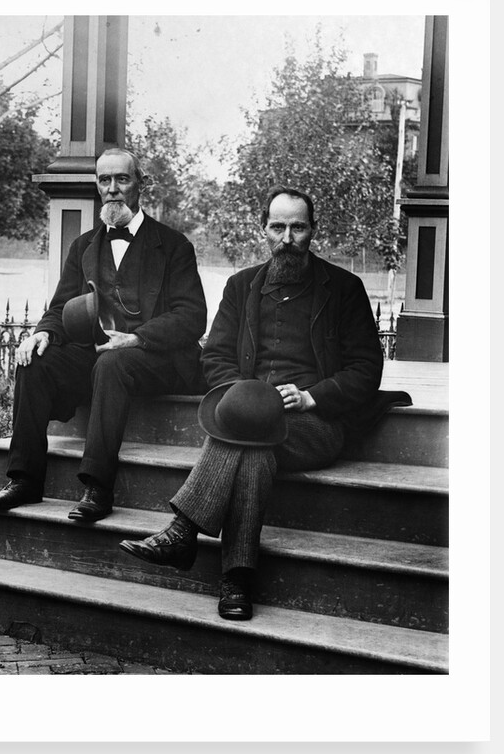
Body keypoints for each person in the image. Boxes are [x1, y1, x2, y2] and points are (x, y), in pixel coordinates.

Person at [120, 185, 409, 621]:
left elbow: (366, 369)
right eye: (278, 227)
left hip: (316, 422)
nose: (287, 237)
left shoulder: (345, 289)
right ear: (263, 230)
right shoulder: (241, 286)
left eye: (297, 227)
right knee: (253, 449)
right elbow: (214, 355)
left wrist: (311, 396)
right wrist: (245, 396)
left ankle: (183, 531)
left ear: (313, 231)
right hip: (251, 418)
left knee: (246, 435)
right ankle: (236, 581)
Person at [0, 148, 207, 521]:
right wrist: (43, 333)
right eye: (105, 180)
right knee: (36, 363)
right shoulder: (84, 245)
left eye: (122, 179)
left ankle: (98, 487)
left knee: (112, 362)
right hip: (98, 353)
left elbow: (192, 316)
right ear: (97, 186)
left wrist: (137, 338)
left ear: (141, 183)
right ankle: (24, 479)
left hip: (155, 358)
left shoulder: (173, 245)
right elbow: (59, 306)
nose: (113, 189)